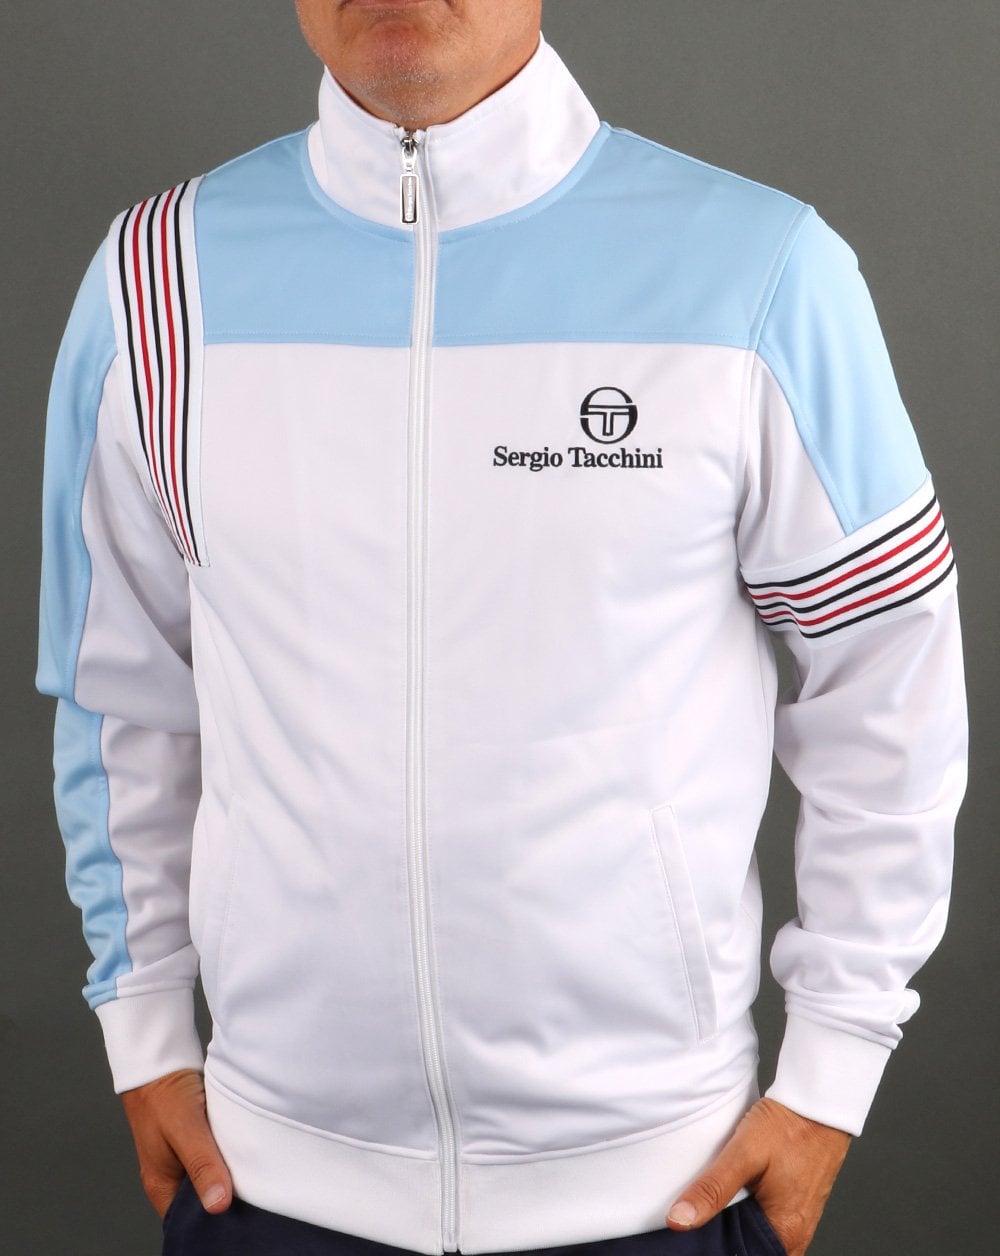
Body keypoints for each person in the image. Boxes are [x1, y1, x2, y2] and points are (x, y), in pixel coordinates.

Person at [37, 2, 967, 1254]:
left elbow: (889, 673)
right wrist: (144, 1028)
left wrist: (831, 1069)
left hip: (656, 1188)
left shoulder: (756, 270)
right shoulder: (157, 279)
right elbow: (120, 691)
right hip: (267, 1187)